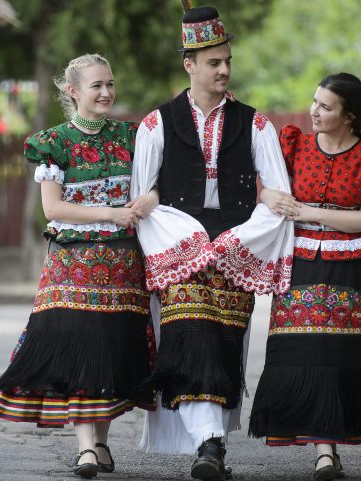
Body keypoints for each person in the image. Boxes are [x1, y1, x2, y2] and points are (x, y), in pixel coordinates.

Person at [129, 6, 294, 481]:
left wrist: (237, 243)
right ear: (189, 63)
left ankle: (212, 442)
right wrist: (188, 242)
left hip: (236, 252)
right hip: (181, 254)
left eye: (227, 61)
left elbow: (276, 198)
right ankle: (209, 443)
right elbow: (146, 201)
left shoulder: (256, 124)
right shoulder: (156, 124)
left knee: (224, 343)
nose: (223, 70)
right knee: (187, 340)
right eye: (213, 62)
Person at [0, 53, 157, 480]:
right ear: (73, 91)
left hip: (123, 265)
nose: (105, 92)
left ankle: (100, 444)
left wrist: (144, 203)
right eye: (96, 85)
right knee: (80, 349)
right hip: (71, 265)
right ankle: (85, 449)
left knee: (109, 351)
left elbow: (157, 187)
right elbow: (52, 207)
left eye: (110, 84)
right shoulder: (54, 141)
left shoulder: (133, 136)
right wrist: (111, 213)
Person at [247, 72, 361, 481]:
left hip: (351, 266)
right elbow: (265, 188)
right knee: (305, 352)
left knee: (341, 357)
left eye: (325, 106)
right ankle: (323, 451)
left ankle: (330, 449)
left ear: (350, 116)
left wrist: (308, 212)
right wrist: (273, 198)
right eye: (314, 102)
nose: (313, 111)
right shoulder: (295, 147)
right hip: (299, 260)